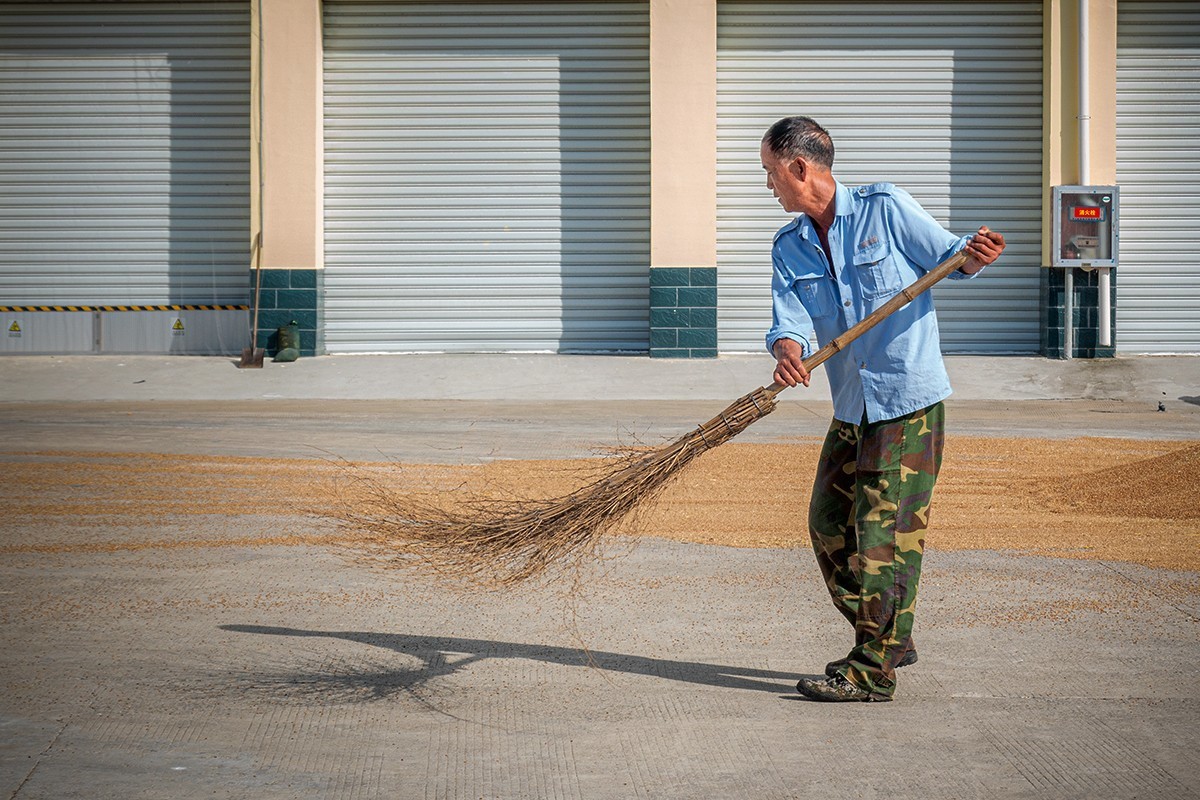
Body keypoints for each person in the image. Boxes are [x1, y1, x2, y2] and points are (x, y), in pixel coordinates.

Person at [760, 116, 1005, 702]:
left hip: (907, 400)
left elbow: (952, 256)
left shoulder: (884, 207)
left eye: (770, 173)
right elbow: (787, 319)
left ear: (799, 168)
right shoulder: (789, 245)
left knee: (883, 534)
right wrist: (788, 351)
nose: (768, 185)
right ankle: (888, 632)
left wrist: (977, 255)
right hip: (852, 404)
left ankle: (873, 668)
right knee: (827, 524)